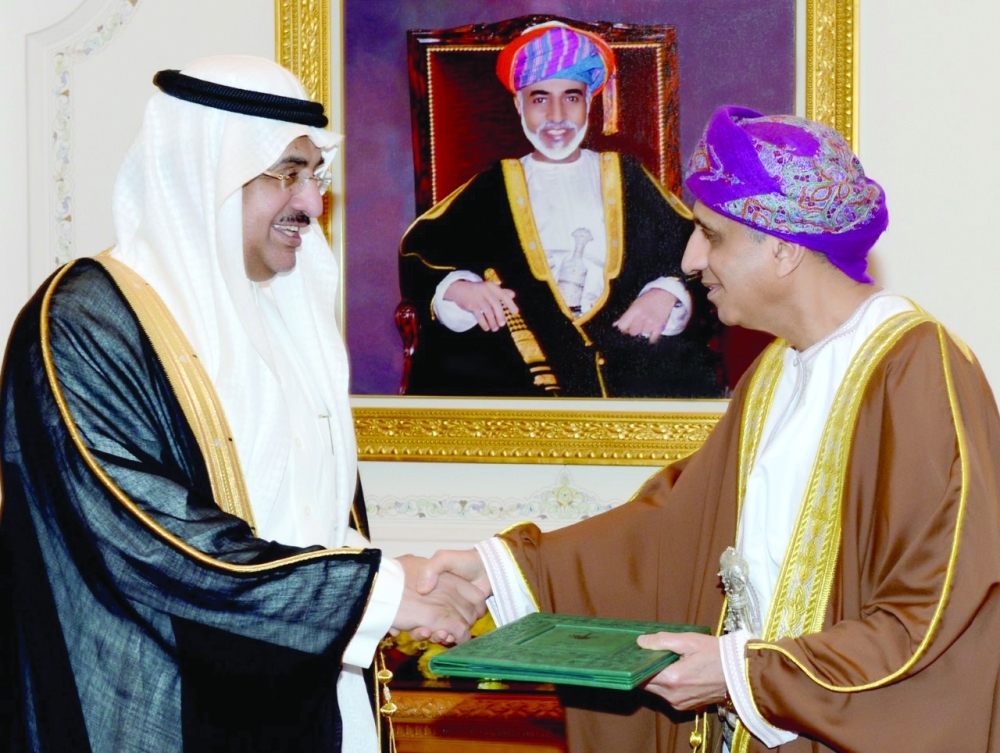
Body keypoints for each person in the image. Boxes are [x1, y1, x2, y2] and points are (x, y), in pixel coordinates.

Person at [419, 105, 1000, 751]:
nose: (691, 259)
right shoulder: (777, 368)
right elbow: (676, 527)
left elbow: (936, 604)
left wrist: (741, 673)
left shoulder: (917, 367)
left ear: (782, 247)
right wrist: (498, 567)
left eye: (712, 235)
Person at [0, 56, 485, 752]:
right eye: (286, 172)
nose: (312, 202)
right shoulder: (84, 322)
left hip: (305, 700)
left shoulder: (285, 316)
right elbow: (150, 539)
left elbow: (312, 518)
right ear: (205, 172)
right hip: (156, 710)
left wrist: (390, 579)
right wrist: (378, 592)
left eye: (315, 175)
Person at [398, 22, 721, 398]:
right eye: (540, 99)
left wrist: (665, 293)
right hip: (520, 370)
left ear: (589, 103)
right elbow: (420, 255)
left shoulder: (627, 178)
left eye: (571, 97)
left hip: (624, 365)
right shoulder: (492, 187)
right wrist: (460, 289)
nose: (556, 115)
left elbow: (695, 248)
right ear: (519, 104)